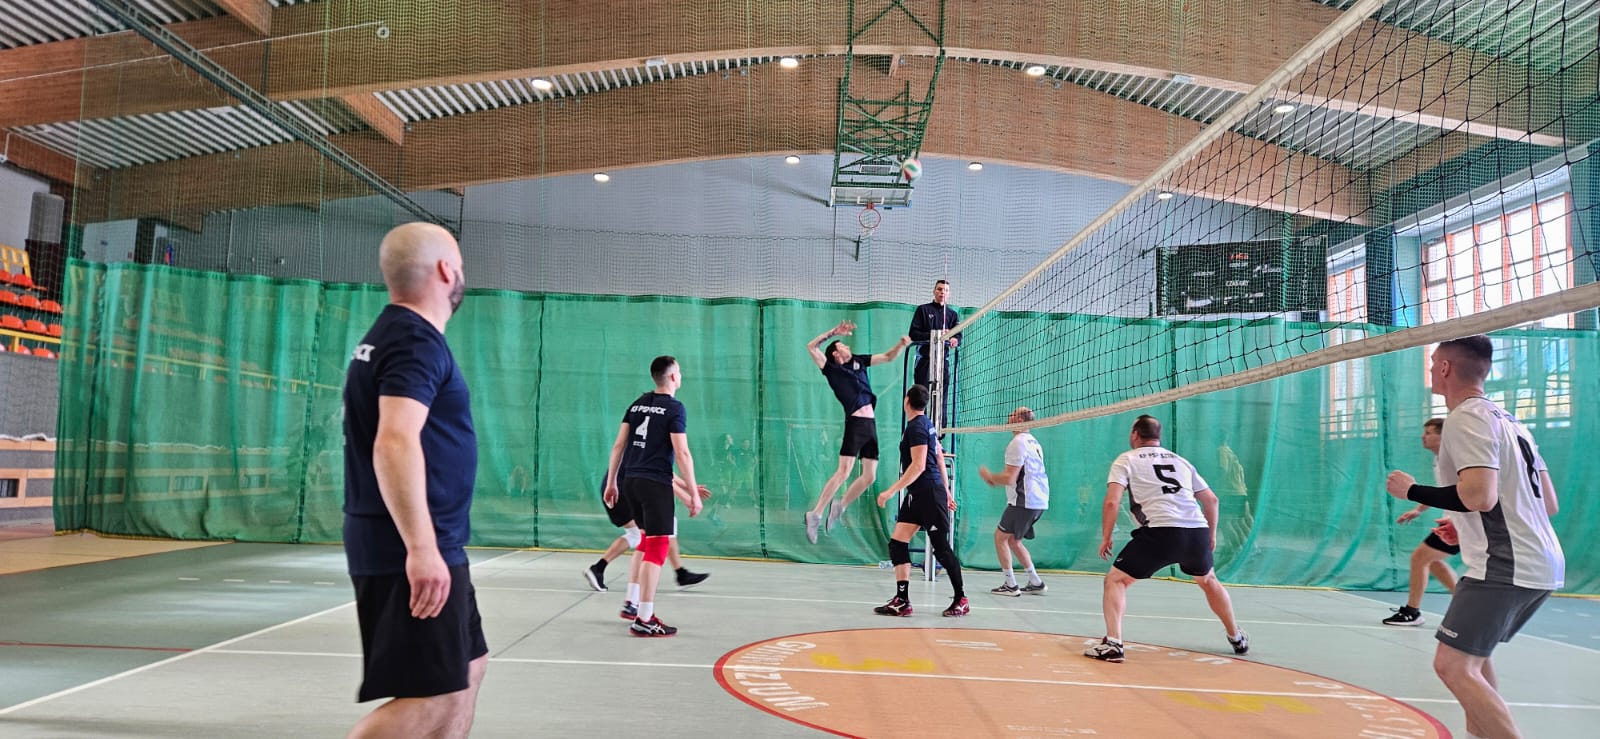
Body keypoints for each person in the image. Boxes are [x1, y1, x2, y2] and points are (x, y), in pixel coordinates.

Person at [341, 223, 485, 738]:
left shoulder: (398, 335)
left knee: (468, 670)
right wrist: (421, 549)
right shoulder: (413, 340)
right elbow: (395, 441)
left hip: (433, 540)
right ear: (447, 270)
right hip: (407, 545)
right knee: (434, 696)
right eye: (460, 264)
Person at [1384, 336, 1562, 739]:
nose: (1431, 369)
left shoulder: (1466, 418)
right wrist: (1467, 527)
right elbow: (1547, 503)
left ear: (1446, 368)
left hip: (1507, 563)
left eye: (1433, 363)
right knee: (1473, 662)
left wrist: (1412, 491)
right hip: (1536, 558)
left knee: (1452, 666)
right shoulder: (1512, 421)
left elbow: (1480, 496)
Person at [1085, 415, 1248, 663]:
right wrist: (1211, 535)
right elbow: (1212, 500)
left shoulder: (1126, 459)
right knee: (1208, 580)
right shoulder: (1181, 461)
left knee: (1116, 580)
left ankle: (1114, 644)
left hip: (1161, 531)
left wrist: (1106, 537)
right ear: (1158, 436)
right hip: (1196, 531)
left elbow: (1111, 502)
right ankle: (1236, 636)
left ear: (1135, 434)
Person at [604, 356, 704, 637]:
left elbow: (619, 445)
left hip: (630, 481)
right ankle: (645, 618)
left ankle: (633, 603)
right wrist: (693, 493)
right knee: (658, 548)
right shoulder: (674, 408)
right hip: (655, 484)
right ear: (672, 377)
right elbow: (682, 453)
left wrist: (611, 483)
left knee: (646, 542)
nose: (681, 376)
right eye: (679, 371)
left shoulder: (637, 404)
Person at [804, 319, 912, 543]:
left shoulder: (859, 361)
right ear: (835, 353)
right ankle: (815, 513)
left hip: (870, 424)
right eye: (842, 345)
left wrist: (900, 345)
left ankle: (840, 506)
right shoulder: (831, 369)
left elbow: (888, 357)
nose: (846, 346)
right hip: (855, 423)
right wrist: (833, 332)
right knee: (843, 472)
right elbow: (811, 347)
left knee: (870, 476)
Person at [873, 384, 968, 617]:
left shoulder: (917, 427)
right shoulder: (926, 425)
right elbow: (939, 457)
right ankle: (902, 600)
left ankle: (961, 599)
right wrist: (947, 491)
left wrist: (890, 491)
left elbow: (919, 465)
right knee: (898, 543)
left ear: (907, 401)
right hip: (919, 494)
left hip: (928, 494)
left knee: (941, 549)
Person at [1382, 417, 1459, 626]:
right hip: (1452, 522)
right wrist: (1418, 510)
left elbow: (1463, 492)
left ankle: (1412, 612)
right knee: (1431, 562)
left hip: (1461, 523)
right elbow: (1442, 491)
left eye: (1429, 433)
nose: (1423, 437)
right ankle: (1464, 605)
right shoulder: (1440, 459)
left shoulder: (1454, 459)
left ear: (1443, 436)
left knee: (1419, 558)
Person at [583, 472, 710, 595]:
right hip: (621, 490)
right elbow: (663, 475)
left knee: (662, 525)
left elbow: (668, 472)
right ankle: (599, 569)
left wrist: (690, 488)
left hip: (620, 488)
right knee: (645, 532)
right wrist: (688, 496)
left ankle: (680, 573)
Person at [978, 406, 1049, 596]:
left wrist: (990, 477)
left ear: (1019, 420)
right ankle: (1036, 582)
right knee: (1014, 541)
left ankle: (1010, 585)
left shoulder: (1018, 442)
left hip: (1025, 501)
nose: (1008, 415)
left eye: (1013, 413)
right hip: (1039, 500)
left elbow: (1010, 478)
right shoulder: (1033, 441)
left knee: (1000, 537)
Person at [908, 279, 961, 413]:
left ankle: (940, 426)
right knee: (920, 397)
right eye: (939, 289)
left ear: (949, 293)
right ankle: (920, 424)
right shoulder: (923, 310)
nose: (942, 292)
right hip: (925, 361)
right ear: (934, 291)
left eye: (946, 290)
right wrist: (936, 334)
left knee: (942, 399)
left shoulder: (952, 315)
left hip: (943, 362)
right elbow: (913, 334)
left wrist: (954, 339)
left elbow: (958, 336)